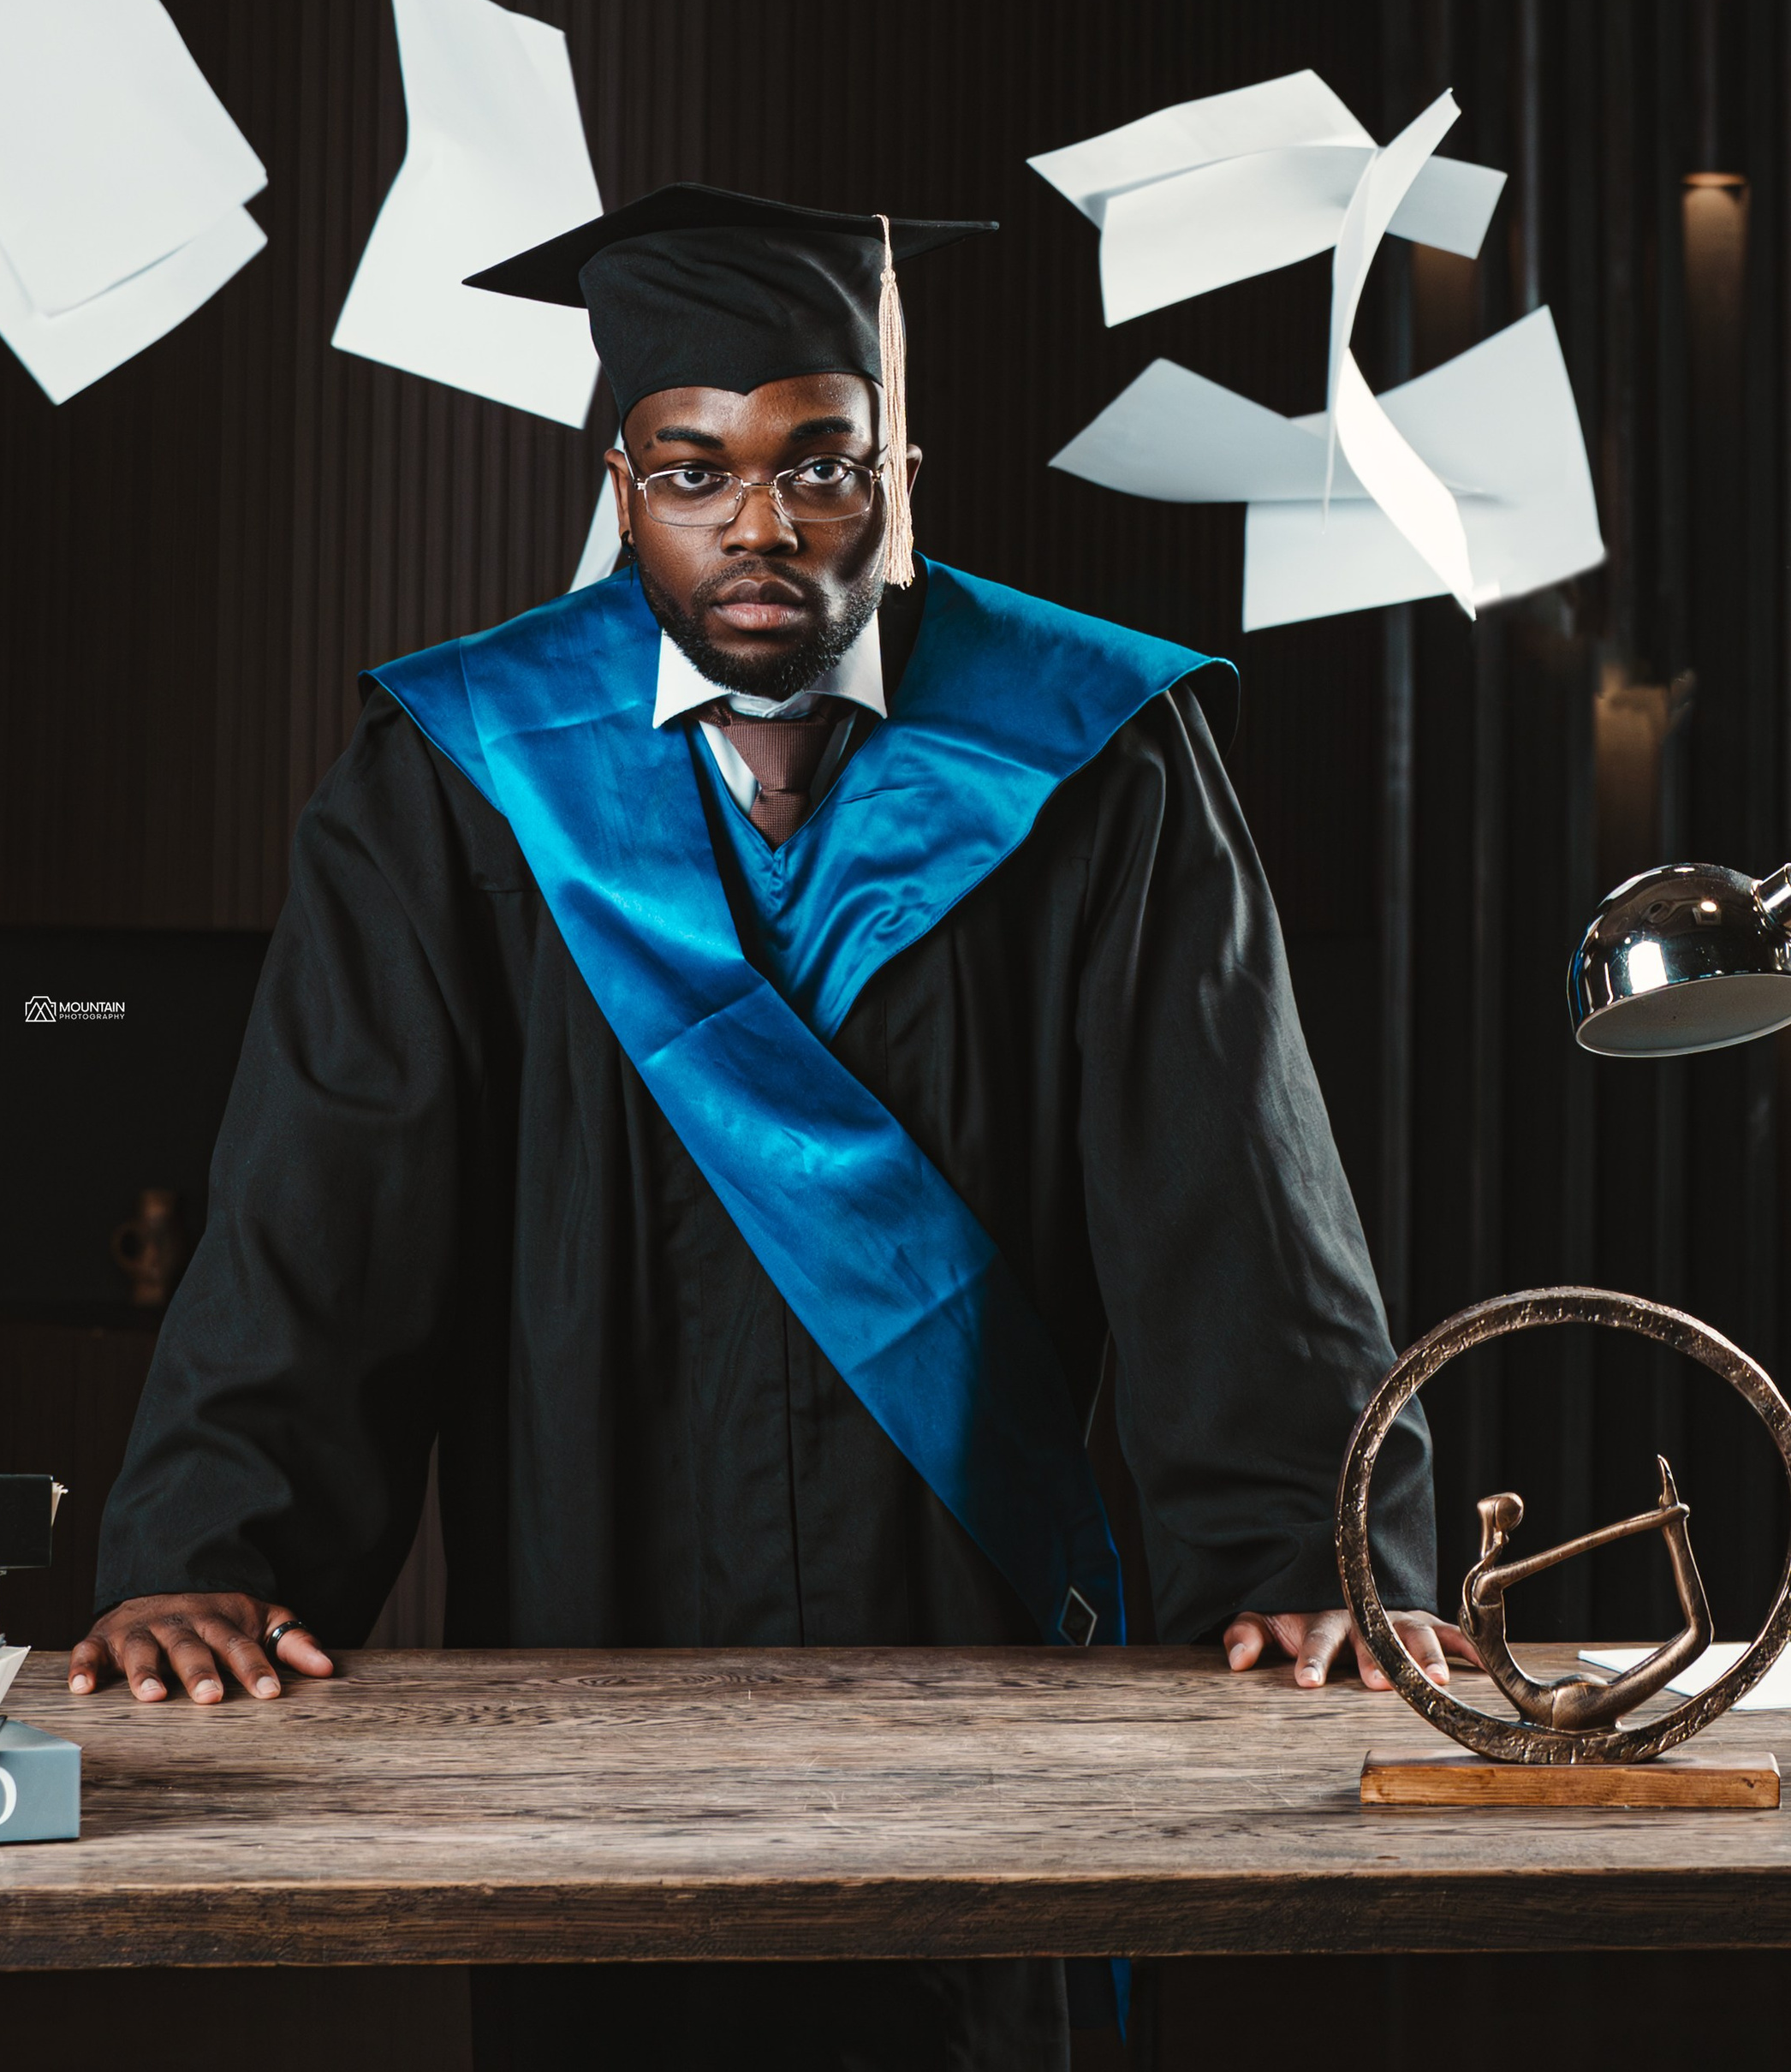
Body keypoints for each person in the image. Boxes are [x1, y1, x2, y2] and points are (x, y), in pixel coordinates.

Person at [81, 185, 1457, 2069]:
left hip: (980, 1671)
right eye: (692, 469)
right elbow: (320, 1205)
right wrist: (208, 1549)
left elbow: (1237, 1201)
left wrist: (1315, 1562)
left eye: (816, 464)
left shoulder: (1088, 753)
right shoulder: (458, 780)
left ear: (899, 466)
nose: (757, 526)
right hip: (589, 1663)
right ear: (621, 477)